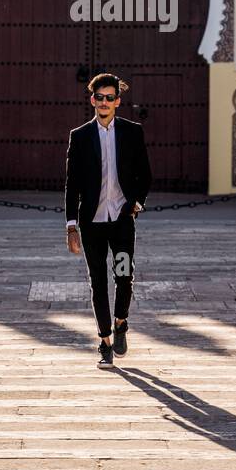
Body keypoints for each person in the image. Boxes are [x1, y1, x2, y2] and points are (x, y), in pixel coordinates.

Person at [64, 72, 152, 368]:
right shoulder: (80, 136)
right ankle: (104, 341)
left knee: (124, 274)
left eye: (109, 98)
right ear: (92, 100)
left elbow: (145, 175)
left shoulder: (132, 132)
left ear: (118, 101)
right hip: (92, 224)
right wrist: (71, 225)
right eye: (99, 97)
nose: (104, 102)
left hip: (122, 222)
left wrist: (137, 202)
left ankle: (121, 322)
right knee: (97, 281)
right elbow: (72, 183)